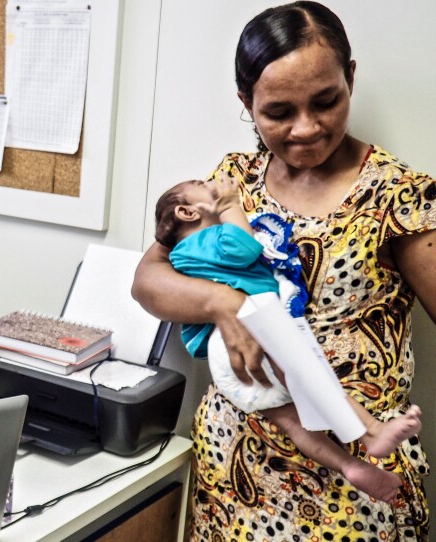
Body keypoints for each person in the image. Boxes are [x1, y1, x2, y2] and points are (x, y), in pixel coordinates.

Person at [132, 2, 434, 539]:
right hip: (236, 468)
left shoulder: (399, 195)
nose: (307, 129)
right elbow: (147, 281)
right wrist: (222, 304)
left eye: (326, 101)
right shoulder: (229, 185)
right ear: (246, 102)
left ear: (351, 79)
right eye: (278, 112)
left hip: (354, 481)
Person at [154, 175, 422, 502]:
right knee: (311, 375)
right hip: (248, 335)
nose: (211, 181)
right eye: (200, 183)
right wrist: (230, 206)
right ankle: (372, 432)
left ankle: (349, 466)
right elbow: (244, 249)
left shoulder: (188, 255)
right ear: (187, 212)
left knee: (294, 424)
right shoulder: (204, 241)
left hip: (232, 366)